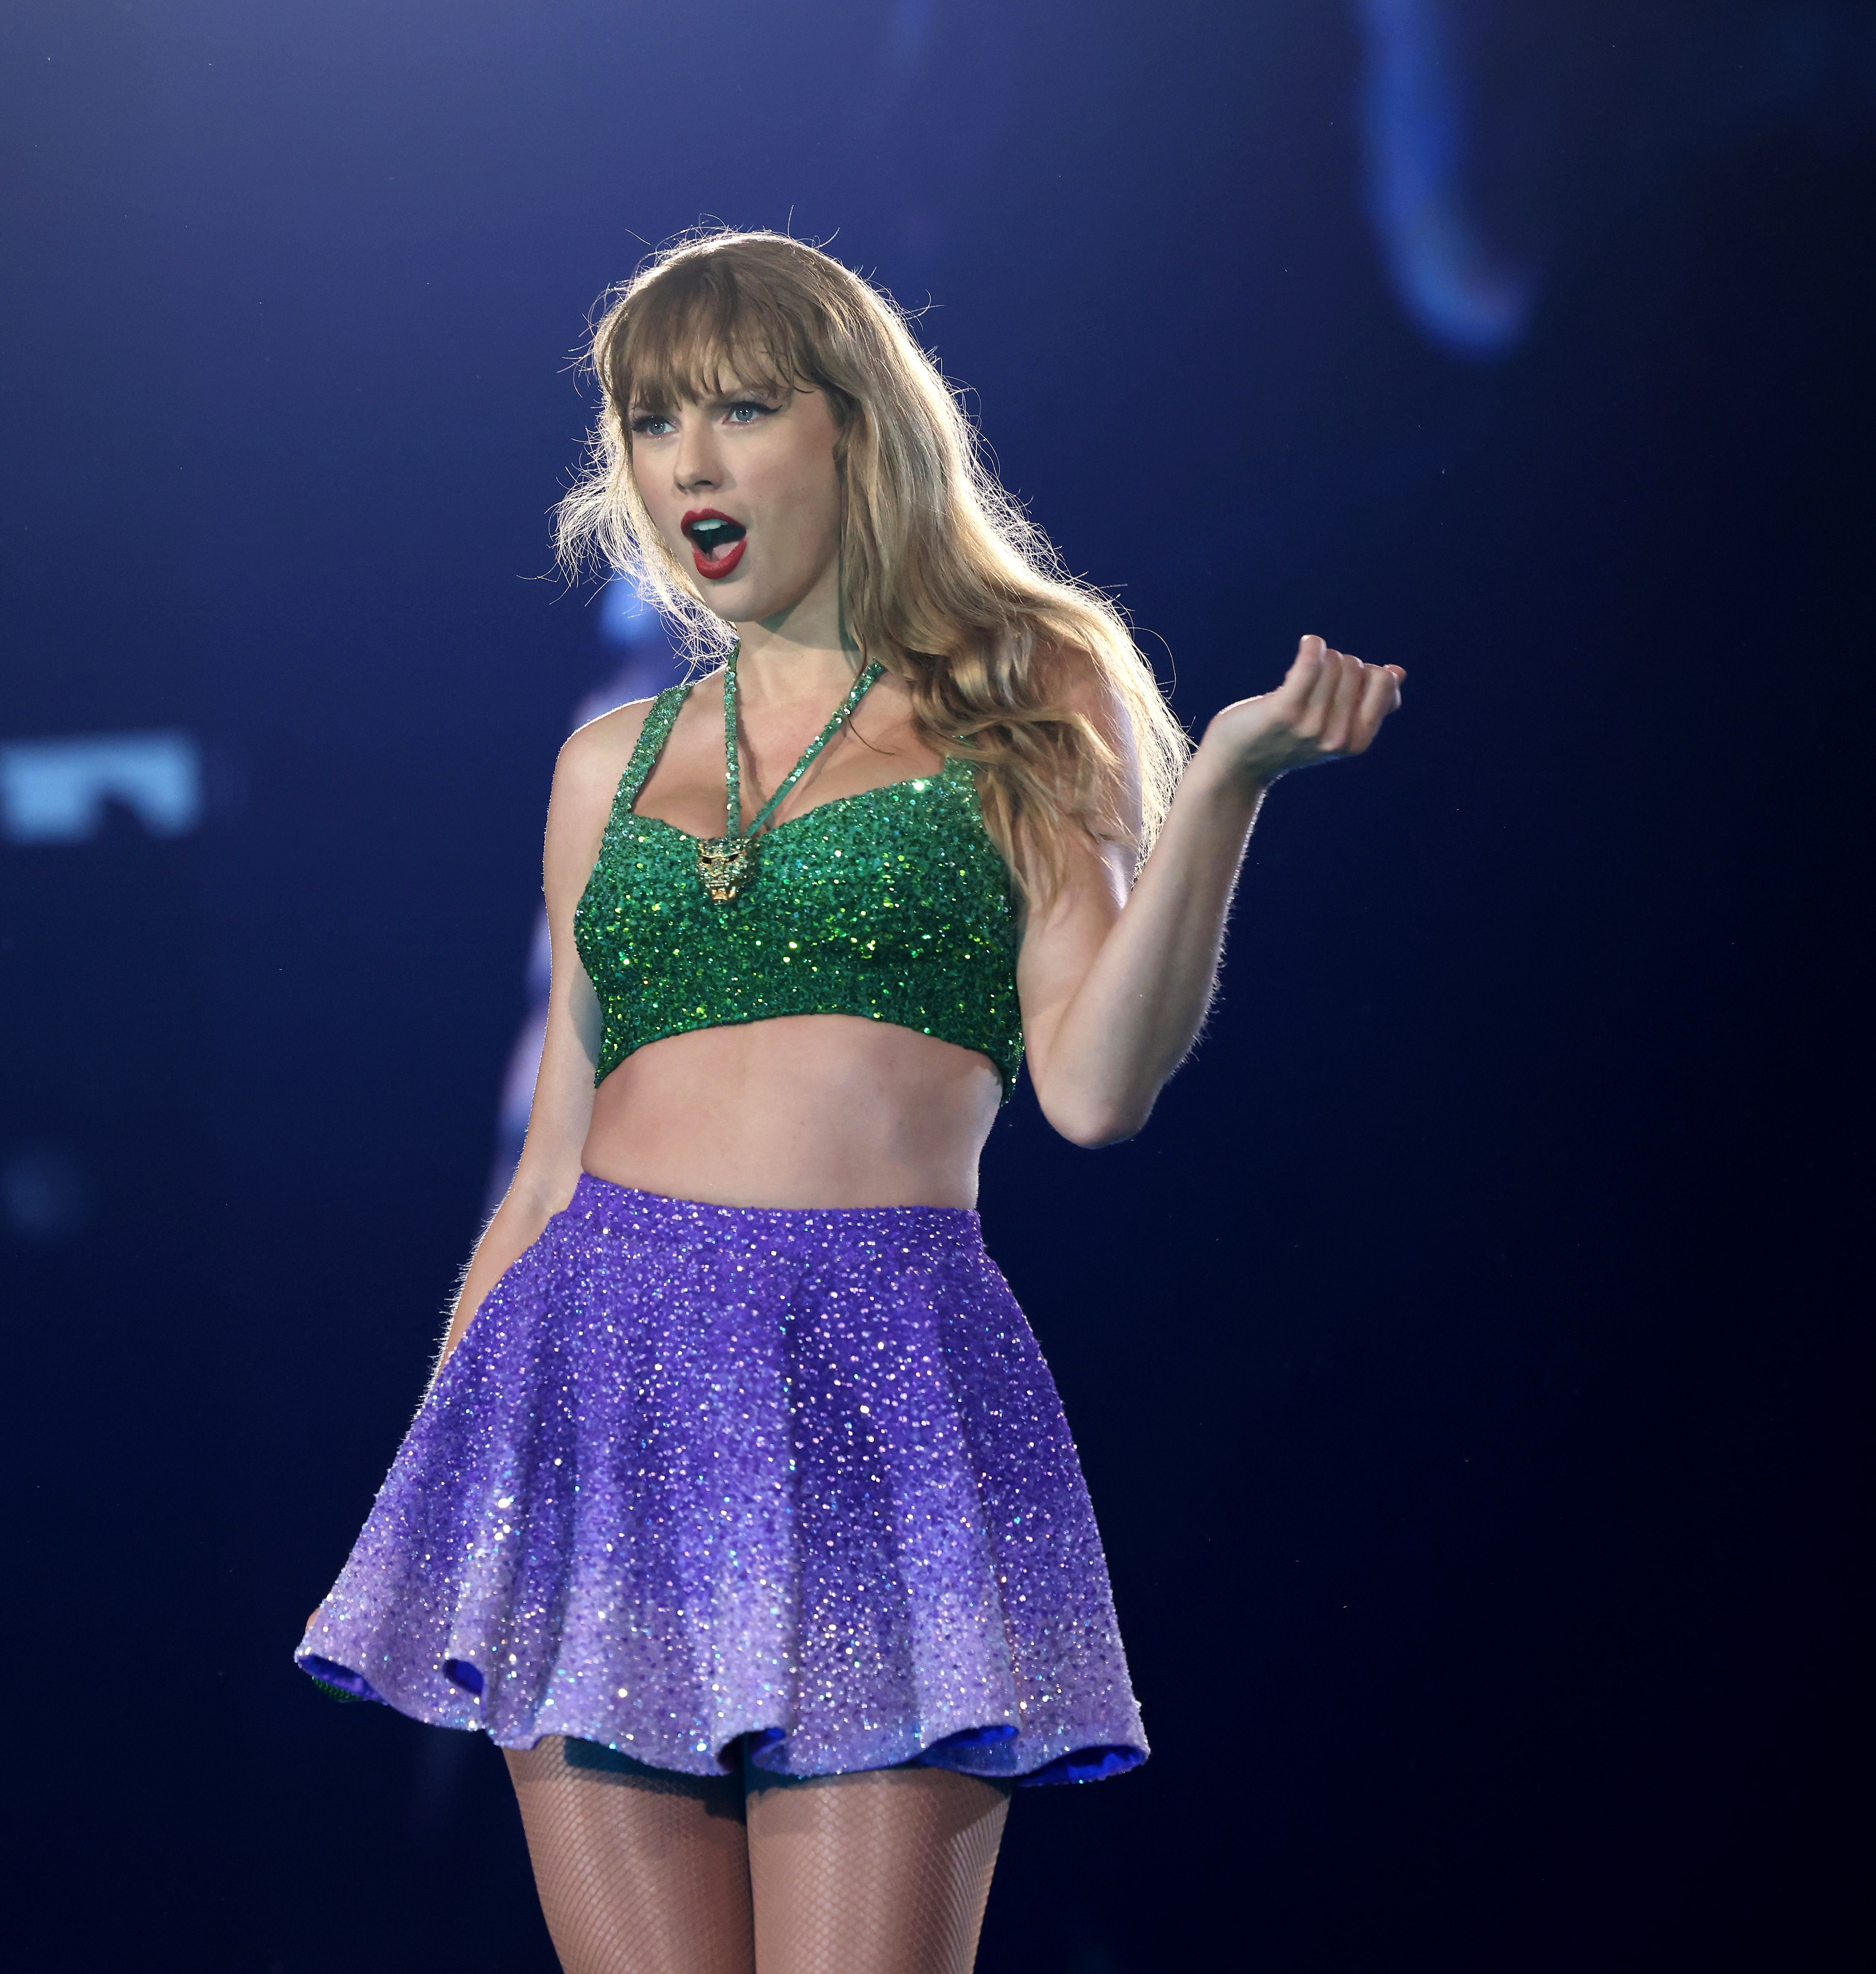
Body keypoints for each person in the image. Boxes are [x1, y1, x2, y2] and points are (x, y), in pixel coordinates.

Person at [295, 230, 1401, 1974]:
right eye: (653, 422)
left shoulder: (1019, 697)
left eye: (742, 407)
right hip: (592, 1399)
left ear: (856, 430)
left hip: (876, 1387)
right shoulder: (607, 761)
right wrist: (446, 1487)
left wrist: (1228, 790)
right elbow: (548, 1163)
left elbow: (1096, 1087)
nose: (691, 463)